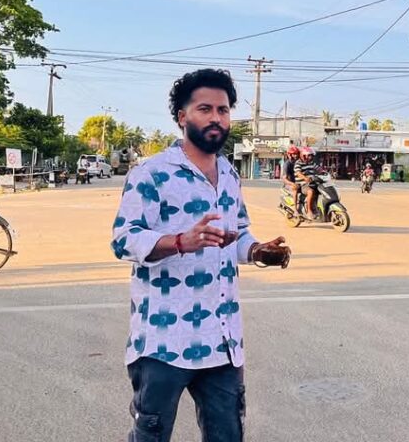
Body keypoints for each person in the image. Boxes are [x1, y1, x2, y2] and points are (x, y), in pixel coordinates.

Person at [111, 69, 292, 442]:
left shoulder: (229, 174)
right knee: (151, 436)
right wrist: (180, 241)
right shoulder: (152, 173)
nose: (216, 118)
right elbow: (124, 239)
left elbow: (235, 233)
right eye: (205, 109)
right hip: (164, 341)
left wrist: (257, 250)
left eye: (223, 110)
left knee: (228, 435)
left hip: (222, 341)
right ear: (182, 116)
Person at [294, 146, 319, 220]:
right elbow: (298, 173)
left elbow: (318, 168)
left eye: (310, 155)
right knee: (310, 191)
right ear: (304, 155)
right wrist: (305, 178)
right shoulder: (298, 163)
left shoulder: (311, 162)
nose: (310, 157)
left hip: (312, 183)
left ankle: (315, 208)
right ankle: (309, 211)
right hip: (303, 184)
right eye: (309, 155)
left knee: (320, 190)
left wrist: (324, 172)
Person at [281, 145, 301, 213]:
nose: (296, 155)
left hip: (299, 182)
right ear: (290, 155)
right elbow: (284, 179)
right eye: (294, 154)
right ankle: (295, 209)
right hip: (289, 184)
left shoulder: (300, 163)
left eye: (297, 154)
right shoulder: (287, 164)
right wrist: (292, 184)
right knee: (295, 188)